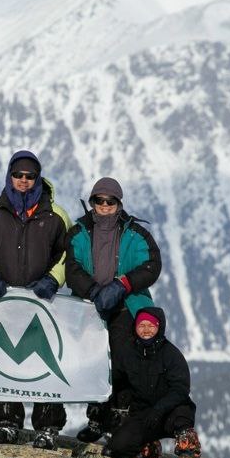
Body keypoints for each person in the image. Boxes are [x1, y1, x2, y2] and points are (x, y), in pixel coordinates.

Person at [0, 149, 72, 449]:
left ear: (38, 179)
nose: (23, 181)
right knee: (4, 362)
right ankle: (7, 421)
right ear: (9, 177)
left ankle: (47, 426)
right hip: (1, 302)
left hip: (42, 303)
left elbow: (72, 255)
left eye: (29, 176)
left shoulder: (56, 216)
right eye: (17, 175)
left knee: (45, 362)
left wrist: (53, 279)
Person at [63, 177, 162, 443]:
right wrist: (94, 291)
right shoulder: (78, 232)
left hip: (126, 307)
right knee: (95, 362)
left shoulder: (136, 233)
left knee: (122, 363)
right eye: (99, 200)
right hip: (91, 306)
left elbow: (152, 266)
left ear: (119, 203)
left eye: (110, 201)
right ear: (92, 202)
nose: (104, 206)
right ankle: (96, 420)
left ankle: (119, 421)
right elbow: (71, 268)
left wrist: (123, 285)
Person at [103, 307, 203, 458]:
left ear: (159, 327)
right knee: (117, 446)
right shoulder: (128, 353)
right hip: (144, 412)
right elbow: (116, 381)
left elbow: (181, 389)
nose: (146, 330)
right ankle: (150, 453)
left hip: (172, 410)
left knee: (183, 420)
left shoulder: (171, 354)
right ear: (135, 327)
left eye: (151, 325)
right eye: (142, 325)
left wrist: (160, 409)